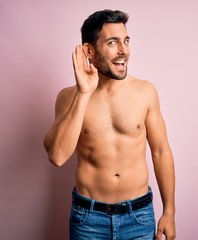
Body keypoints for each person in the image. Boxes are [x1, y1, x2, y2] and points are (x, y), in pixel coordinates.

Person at [43, 9, 176, 240]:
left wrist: (169, 212)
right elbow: (57, 156)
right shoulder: (68, 97)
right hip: (88, 220)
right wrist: (84, 93)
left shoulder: (145, 92)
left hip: (139, 216)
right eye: (112, 42)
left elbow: (160, 151)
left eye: (126, 41)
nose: (123, 50)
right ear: (89, 50)